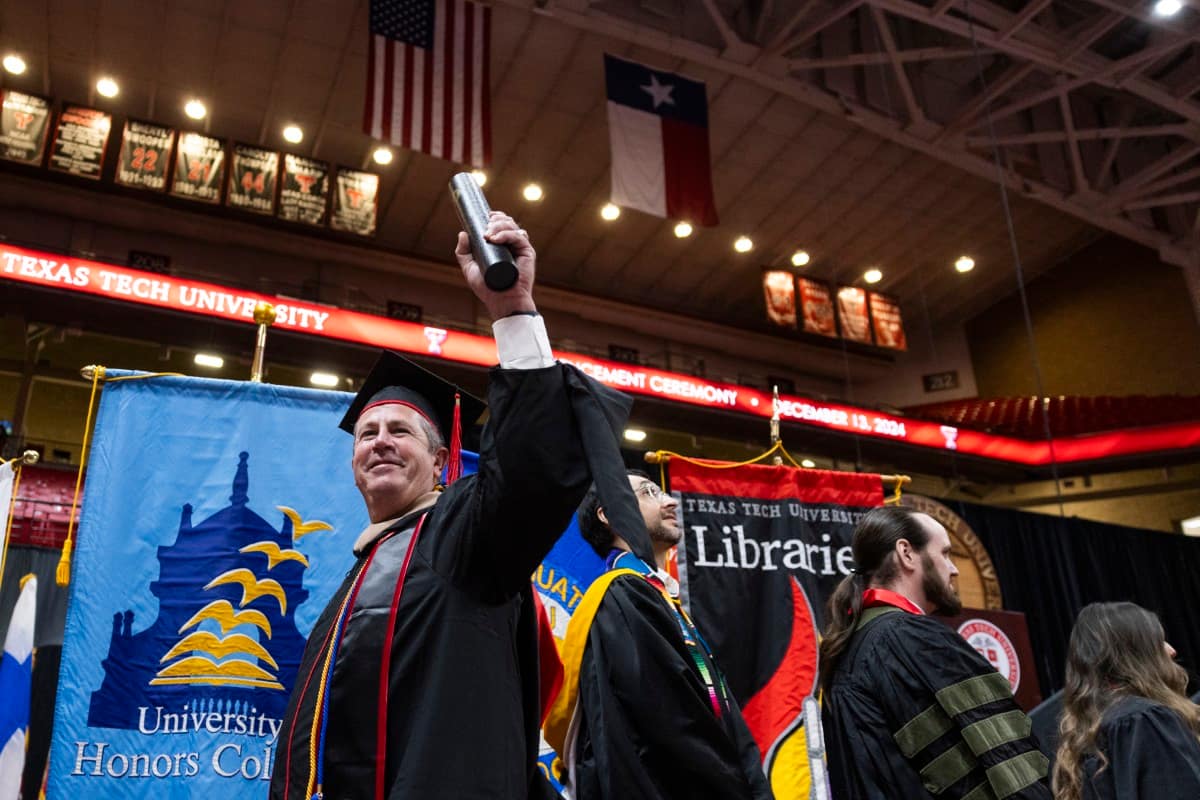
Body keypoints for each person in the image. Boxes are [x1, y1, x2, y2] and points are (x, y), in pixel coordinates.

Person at [270, 212, 637, 800]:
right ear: (353, 466)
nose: (380, 441)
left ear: (442, 464)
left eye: (401, 431)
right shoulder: (355, 580)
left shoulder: (464, 535)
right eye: (367, 435)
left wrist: (512, 310)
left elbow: (532, 470)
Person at [544, 469, 774, 800]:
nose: (669, 502)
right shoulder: (622, 598)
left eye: (663, 492)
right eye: (649, 493)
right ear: (609, 514)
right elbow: (672, 721)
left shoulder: (660, 599)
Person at [819, 505, 1051, 799]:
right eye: (944, 553)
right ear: (906, 553)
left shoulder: (846, 651)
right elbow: (1010, 766)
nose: (953, 569)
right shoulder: (914, 640)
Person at [1053, 602, 1200, 800]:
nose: (1171, 650)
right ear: (1135, 655)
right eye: (1158, 642)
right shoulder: (1143, 720)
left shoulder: (1086, 737)